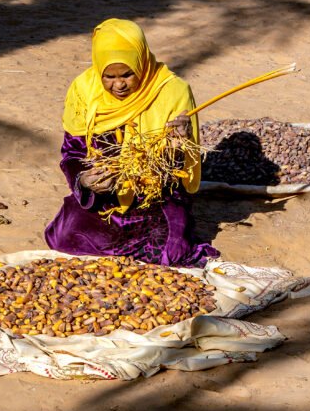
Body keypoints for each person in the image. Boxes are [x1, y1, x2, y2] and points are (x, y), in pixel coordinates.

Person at [44, 18, 218, 267]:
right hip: (106, 198)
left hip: (154, 198)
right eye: (109, 77)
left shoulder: (173, 90)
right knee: (64, 239)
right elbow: (72, 151)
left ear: (142, 62)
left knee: (172, 255)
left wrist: (179, 143)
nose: (119, 85)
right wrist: (84, 181)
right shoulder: (84, 90)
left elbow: (180, 168)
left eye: (128, 74)